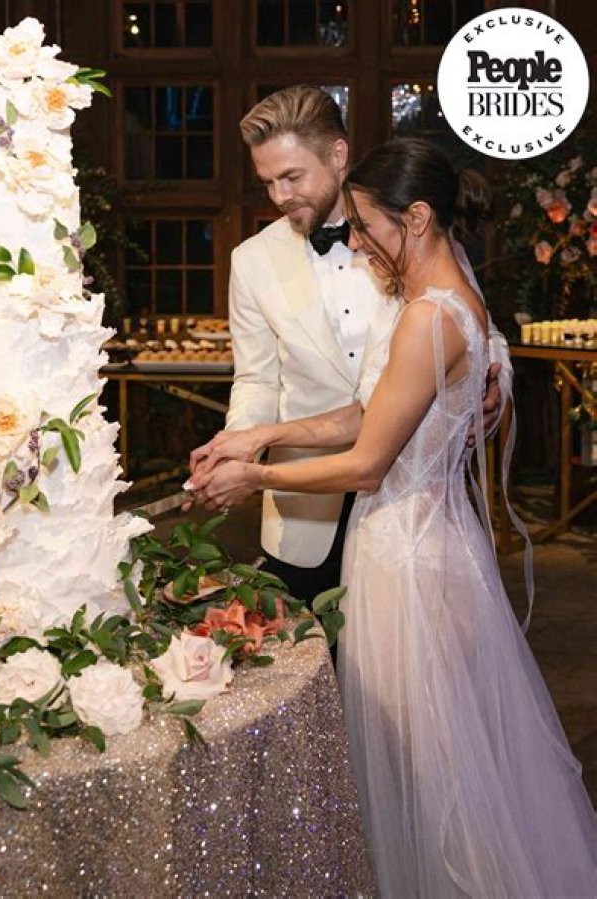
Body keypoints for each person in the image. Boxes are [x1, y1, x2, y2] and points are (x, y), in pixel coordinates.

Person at [185, 138, 597, 897]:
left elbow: (368, 462)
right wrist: (261, 433)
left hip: (407, 565)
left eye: (368, 226)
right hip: (420, 545)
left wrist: (257, 476)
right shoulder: (441, 301)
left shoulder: (428, 317)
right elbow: (371, 413)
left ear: (416, 218)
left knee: (429, 773)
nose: (359, 242)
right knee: (432, 760)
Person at [214, 85, 509, 605]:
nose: (279, 196)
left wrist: (493, 381)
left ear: (338, 154)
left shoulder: (410, 230)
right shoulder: (251, 260)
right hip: (306, 508)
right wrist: (239, 447)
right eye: (267, 182)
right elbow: (256, 378)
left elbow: (474, 326)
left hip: (409, 498)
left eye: (292, 177)